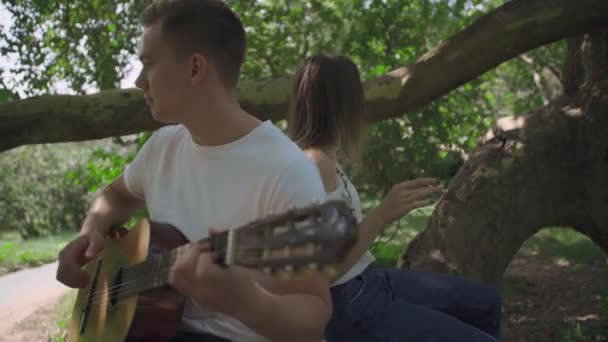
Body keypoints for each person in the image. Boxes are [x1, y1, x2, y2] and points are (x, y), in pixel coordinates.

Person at [55, 1, 335, 341]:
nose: (139, 80)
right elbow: (116, 195)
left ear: (194, 69)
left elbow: (313, 317)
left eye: (148, 64)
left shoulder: (287, 171)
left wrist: (247, 302)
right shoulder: (163, 147)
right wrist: (90, 236)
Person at [288, 53, 503, 342]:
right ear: (343, 104)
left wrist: (391, 204)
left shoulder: (326, 157)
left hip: (371, 280)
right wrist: (381, 215)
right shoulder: (315, 164)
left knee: (486, 302)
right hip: (351, 304)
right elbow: (324, 272)